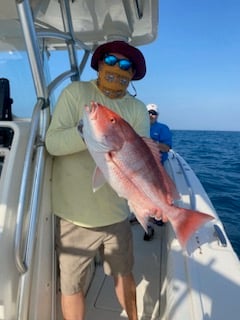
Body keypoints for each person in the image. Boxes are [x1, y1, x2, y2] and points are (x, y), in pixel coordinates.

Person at [45, 40, 149, 320]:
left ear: (133, 74)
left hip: (116, 214)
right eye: (111, 62)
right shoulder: (76, 93)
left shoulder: (137, 109)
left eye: (126, 65)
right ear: (100, 64)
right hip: (73, 216)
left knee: (123, 274)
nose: (117, 69)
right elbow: (53, 144)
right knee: (71, 285)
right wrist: (87, 133)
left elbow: (141, 159)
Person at [143, 103, 172, 241]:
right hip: (142, 166)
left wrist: (151, 143)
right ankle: (144, 217)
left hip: (158, 166)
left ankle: (161, 216)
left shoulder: (163, 128)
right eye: (149, 112)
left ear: (157, 115)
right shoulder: (138, 125)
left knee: (159, 193)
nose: (151, 115)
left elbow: (166, 148)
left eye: (153, 113)